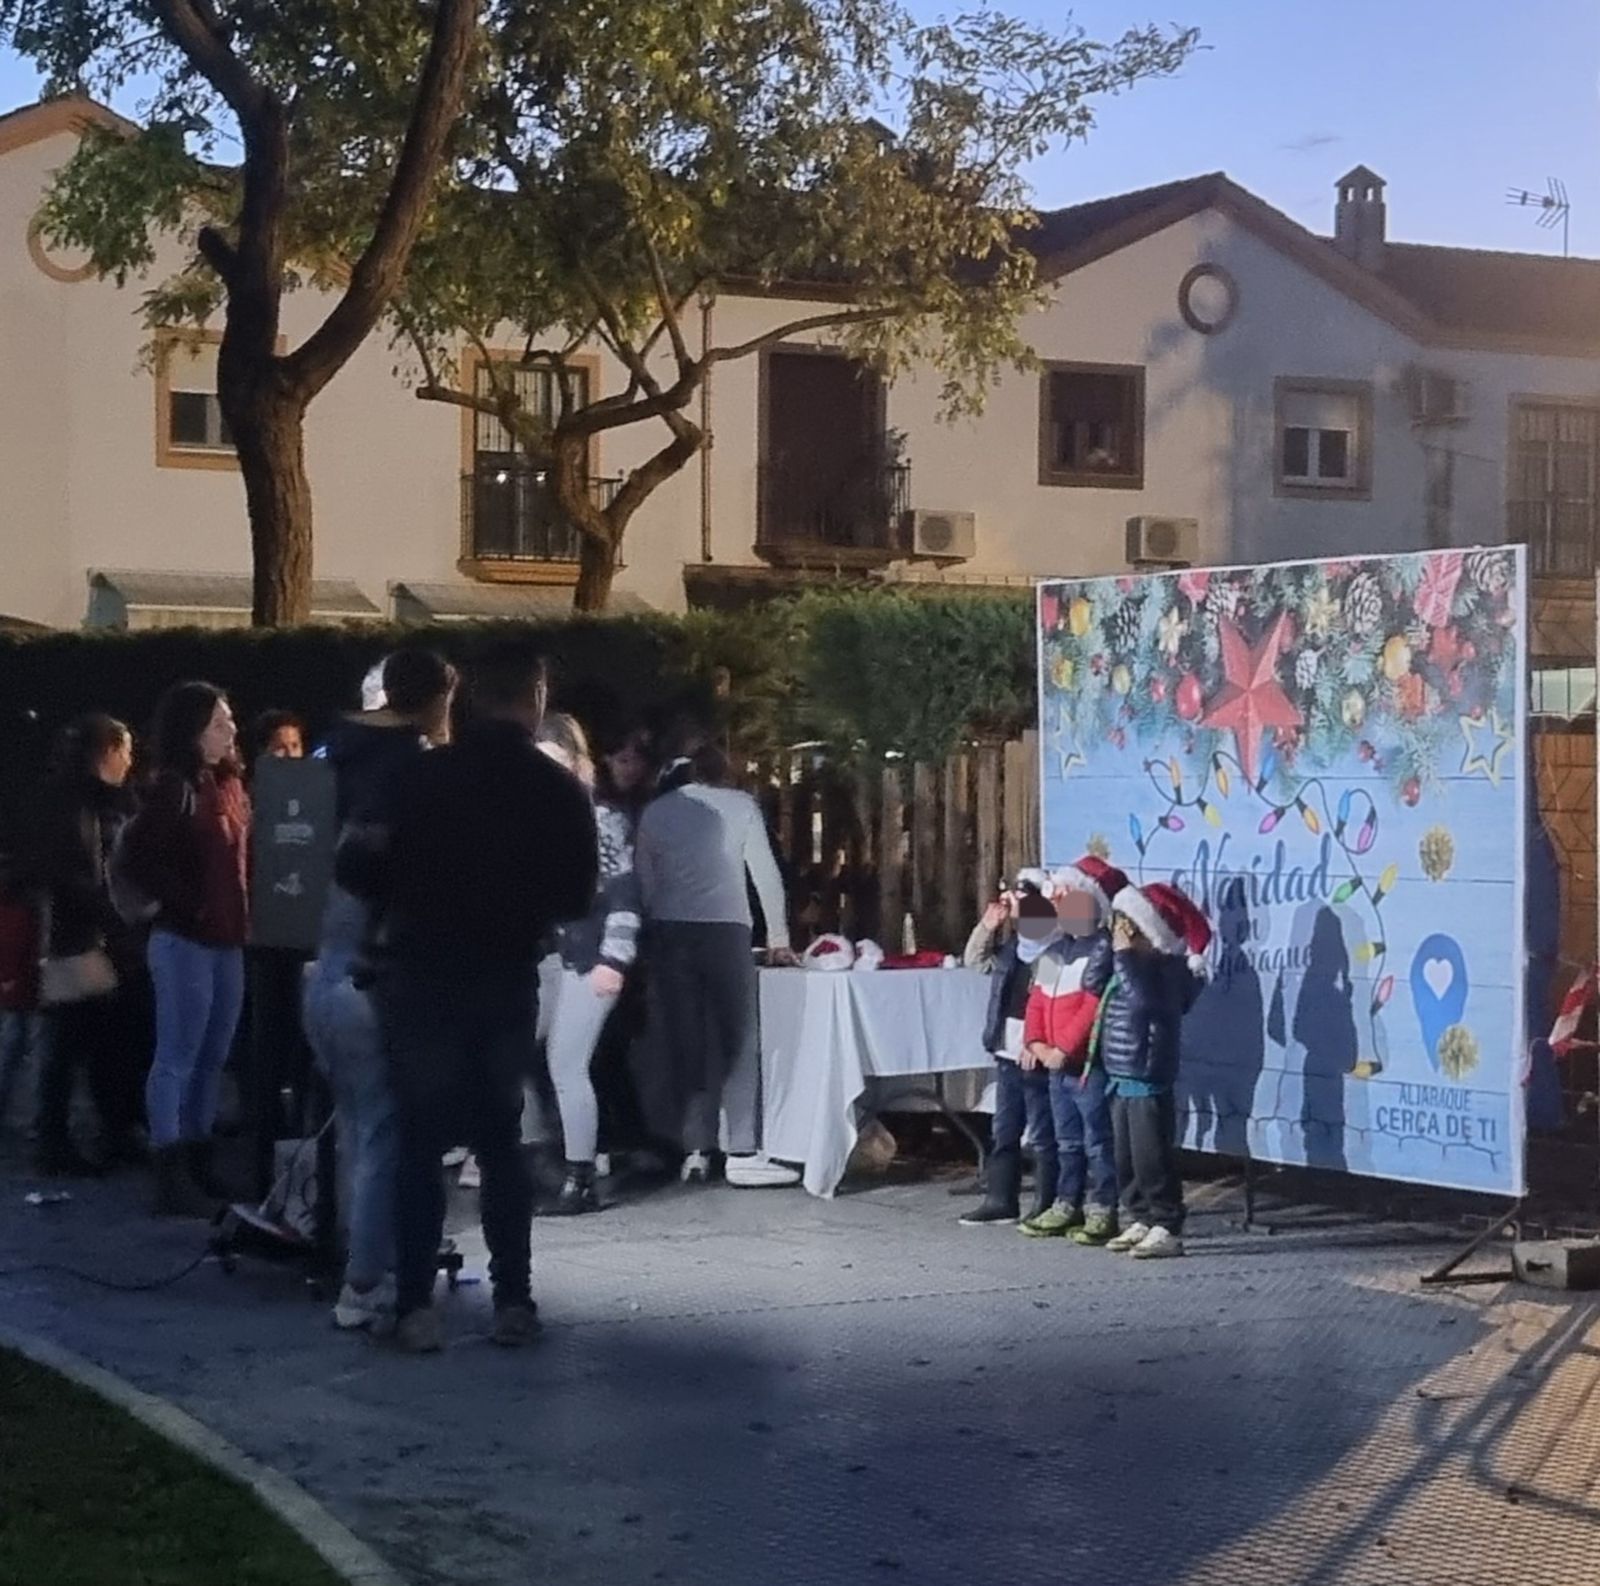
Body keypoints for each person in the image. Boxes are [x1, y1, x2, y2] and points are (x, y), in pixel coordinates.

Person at [340, 636, 597, 1353]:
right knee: (500, 1139)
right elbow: (577, 894)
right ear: (536, 697)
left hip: (420, 974)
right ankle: (513, 1299)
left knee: (420, 1144)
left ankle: (417, 1304)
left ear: (472, 696)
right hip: (504, 975)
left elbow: (358, 866)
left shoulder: (420, 778)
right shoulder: (556, 790)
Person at [303, 647, 456, 1332]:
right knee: (383, 1135)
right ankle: (365, 1282)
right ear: (437, 697)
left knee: (356, 1131)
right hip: (373, 979)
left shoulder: (333, 755)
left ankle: (356, 1264)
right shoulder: (413, 775)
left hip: (322, 972)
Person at [635, 741, 799, 1188]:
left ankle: (694, 1148)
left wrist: (652, 925)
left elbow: (645, 880)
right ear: (727, 772)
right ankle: (742, 1148)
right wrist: (778, 936)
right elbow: (764, 873)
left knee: (687, 1041)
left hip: (669, 929)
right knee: (737, 1037)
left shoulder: (657, 811)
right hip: (726, 927)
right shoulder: (742, 805)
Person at [119, 683, 250, 1217]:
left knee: (213, 1054)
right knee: (178, 1053)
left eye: (229, 720)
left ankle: (197, 1156)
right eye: (219, 723)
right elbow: (139, 858)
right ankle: (170, 1164)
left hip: (227, 938)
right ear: (192, 731)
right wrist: (189, 905)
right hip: (186, 939)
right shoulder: (177, 788)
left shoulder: (229, 784)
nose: (230, 730)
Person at [526, 713, 641, 1214]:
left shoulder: (602, 821)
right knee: (512, 1055)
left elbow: (626, 894)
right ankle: (541, 1155)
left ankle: (580, 1177)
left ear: (575, 764)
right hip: (552, 957)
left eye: (555, 764)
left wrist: (614, 958)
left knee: (567, 1064)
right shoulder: (533, 820)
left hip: (591, 956)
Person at [32, 715, 152, 1175]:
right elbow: (73, 871)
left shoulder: (84, 798)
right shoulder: (80, 803)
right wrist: (113, 914)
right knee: (72, 1039)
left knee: (95, 1038)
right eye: (124, 751)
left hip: (93, 932)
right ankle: (61, 1138)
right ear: (108, 751)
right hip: (79, 935)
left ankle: (100, 1130)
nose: (129, 761)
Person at [1095, 881, 1210, 1261]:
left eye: (1128, 924)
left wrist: (1125, 957)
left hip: (1147, 1073)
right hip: (1120, 1072)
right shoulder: (1127, 965)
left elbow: (1144, 1005)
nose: (1120, 933)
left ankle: (1167, 1224)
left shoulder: (1167, 970)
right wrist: (1111, 950)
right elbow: (1093, 986)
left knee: (1151, 1155)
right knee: (1125, 1155)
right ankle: (1140, 1215)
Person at [1018, 856, 1122, 1241]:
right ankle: (1067, 1202)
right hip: (1054, 1067)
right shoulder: (1055, 950)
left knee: (1097, 1140)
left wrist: (1064, 1048)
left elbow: (1093, 1006)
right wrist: (1036, 1041)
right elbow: (1038, 1000)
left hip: (1085, 1067)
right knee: (1067, 1140)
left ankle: (1103, 1208)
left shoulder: (1102, 950)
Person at [957, 871, 1060, 1227]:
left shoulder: (1052, 950)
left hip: (1035, 1052)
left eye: (1017, 899)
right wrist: (987, 926)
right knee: (1005, 1130)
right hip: (1007, 1051)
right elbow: (975, 960)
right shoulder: (1014, 947)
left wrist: (1039, 1040)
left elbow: (1048, 1001)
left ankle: (1047, 1204)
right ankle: (1001, 1199)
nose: (1009, 905)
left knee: (1044, 1134)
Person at [0, 845, 44, 1135]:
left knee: (14, 1045)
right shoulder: (31, 905)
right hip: (28, 981)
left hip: (18, 981)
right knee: (27, 1047)